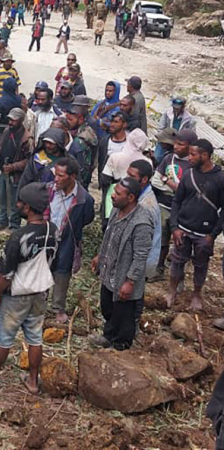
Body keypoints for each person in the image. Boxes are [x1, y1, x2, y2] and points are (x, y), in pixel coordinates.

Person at [0, 182, 58, 394]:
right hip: (40, 293)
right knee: (35, 338)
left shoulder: (19, 237)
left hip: (17, 295)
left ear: (28, 208)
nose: (18, 205)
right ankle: (32, 381)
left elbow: (6, 274)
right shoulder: (53, 229)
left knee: (4, 338)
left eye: (20, 202)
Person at [90, 177, 153, 350]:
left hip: (123, 277)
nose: (112, 196)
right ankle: (108, 336)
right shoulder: (116, 212)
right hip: (109, 273)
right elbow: (109, 238)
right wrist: (100, 255)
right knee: (108, 308)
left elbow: (141, 256)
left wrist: (130, 281)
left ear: (131, 197)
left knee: (124, 313)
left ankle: (121, 344)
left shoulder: (141, 223)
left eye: (118, 193)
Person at [167, 139, 224, 311]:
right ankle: (171, 291)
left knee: (201, 265)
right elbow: (176, 202)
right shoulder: (188, 174)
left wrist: (212, 235)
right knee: (177, 261)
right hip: (183, 229)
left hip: (204, 233)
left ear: (204, 155)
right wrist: (174, 227)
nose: (189, 157)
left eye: (193, 154)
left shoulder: (220, 179)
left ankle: (197, 294)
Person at [48, 157, 95, 323]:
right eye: (56, 174)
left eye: (61, 176)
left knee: (62, 272)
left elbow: (87, 218)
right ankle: (37, 305)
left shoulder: (84, 200)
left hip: (67, 241)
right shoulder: (49, 191)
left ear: (72, 177)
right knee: (42, 269)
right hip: (46, 239)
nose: (56, 179)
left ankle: (57, 308)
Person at [150, 130, 196, 281]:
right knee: (161, 238)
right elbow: (155, 180)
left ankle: (178, 276)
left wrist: (167, 181)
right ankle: (159, 267)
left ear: (190, 146)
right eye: (175, 143)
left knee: (181, 243)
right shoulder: (168, 159)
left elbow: (190, 190)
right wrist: (176, 188)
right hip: (164, 204)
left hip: (184, 209)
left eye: (181, 144)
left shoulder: (193, 164)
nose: (176, 147)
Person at [0, 108, 33, 232]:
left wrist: (13, 167)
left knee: (15, 201)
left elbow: (29, 161)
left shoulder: (27, 139)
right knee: (2, 197)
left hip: (16, 176)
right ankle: (2, 220)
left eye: (14, 120)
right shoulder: (7, 131)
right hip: (3, 170)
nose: (10, 122)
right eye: (10, 119)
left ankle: (14, 225)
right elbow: (1, 144)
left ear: (20, 121)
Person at [64, 98, 98, 189]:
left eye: (70, 119)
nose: (67, 122)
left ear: (80, 119)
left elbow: (82, 168)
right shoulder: (80, 130)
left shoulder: (80, 142)